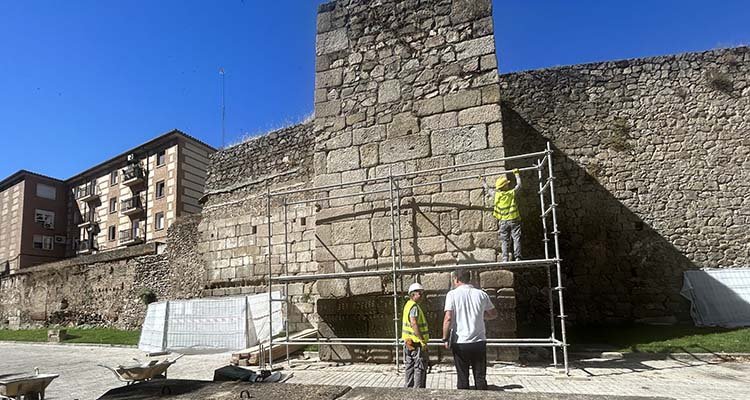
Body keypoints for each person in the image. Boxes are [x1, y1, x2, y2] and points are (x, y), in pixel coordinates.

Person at [442, 269, 497, 390]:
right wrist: (480, 316)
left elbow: (448, 318)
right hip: (479, 340)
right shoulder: (481, 294)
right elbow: (493, 314)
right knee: (480, 376)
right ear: (469, 279)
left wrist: (445, 338)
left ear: (456, 279)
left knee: (462, 377)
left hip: (460, 342)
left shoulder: (452, 295)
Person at [483, 169, 522, 262]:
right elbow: (519, 186)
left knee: (505, 240)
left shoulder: (496, 195)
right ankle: (517, 257)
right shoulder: (511, 193)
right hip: (514, 220)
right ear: (505, 186)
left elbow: (487, 189)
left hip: (503, 222)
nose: (508, 185)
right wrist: (516, 174)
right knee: (516, 238)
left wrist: (482, 181)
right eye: (507, 184)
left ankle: (505, 258)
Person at [402, 282, 430, 388]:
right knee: (420, 368)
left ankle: (408, 390)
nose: (422, 296)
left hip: (408, 342)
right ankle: (419, 393)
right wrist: (422, 341)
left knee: (409, 366)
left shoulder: (407, 305)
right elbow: (414, 323)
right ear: (413, 294)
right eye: (420, 293)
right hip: (417, 344)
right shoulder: (414, 307)